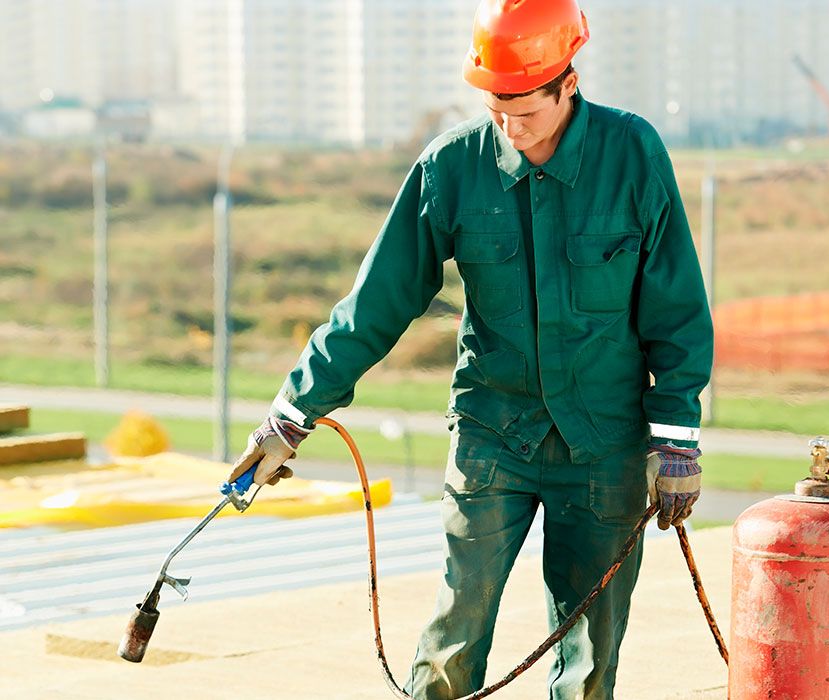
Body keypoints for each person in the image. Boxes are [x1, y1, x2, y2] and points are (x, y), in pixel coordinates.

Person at [229, 1, 713, 698]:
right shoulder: (452, 167)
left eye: (526, 112)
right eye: (496, 111)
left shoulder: (632, 156)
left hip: (605, 443)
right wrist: (290, 415)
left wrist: (675, 440)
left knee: (588, 661)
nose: (510, 131)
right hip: (494, 436)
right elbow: (376, 305)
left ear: (566, 85)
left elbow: (677, 310)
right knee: (453, 639)